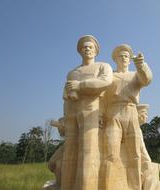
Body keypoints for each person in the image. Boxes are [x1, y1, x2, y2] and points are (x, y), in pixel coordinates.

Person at [61, 35, 113, 190]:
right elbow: (66, 95)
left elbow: (105, 82)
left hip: (91, 108)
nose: (87, 49)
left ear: (96, 50)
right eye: (84, 47)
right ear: (79, 51)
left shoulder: (103, 66)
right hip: (72, 112)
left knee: (88, 151)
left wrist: (80, 85)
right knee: (69, 153)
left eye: (90, 47)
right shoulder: (72, 73)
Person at [104, 44, 153, 190]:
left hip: (131, 112)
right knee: (110, 153)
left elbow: (147, 79)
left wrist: (142, 65)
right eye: (120, 56)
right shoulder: (110, 76)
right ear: (115, 59)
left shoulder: (135, 75)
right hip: (113, 113)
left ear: (130, 60)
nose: (124, 58)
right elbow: (100, 97)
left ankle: (134, 187)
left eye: (126, 56)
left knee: (135, 154)